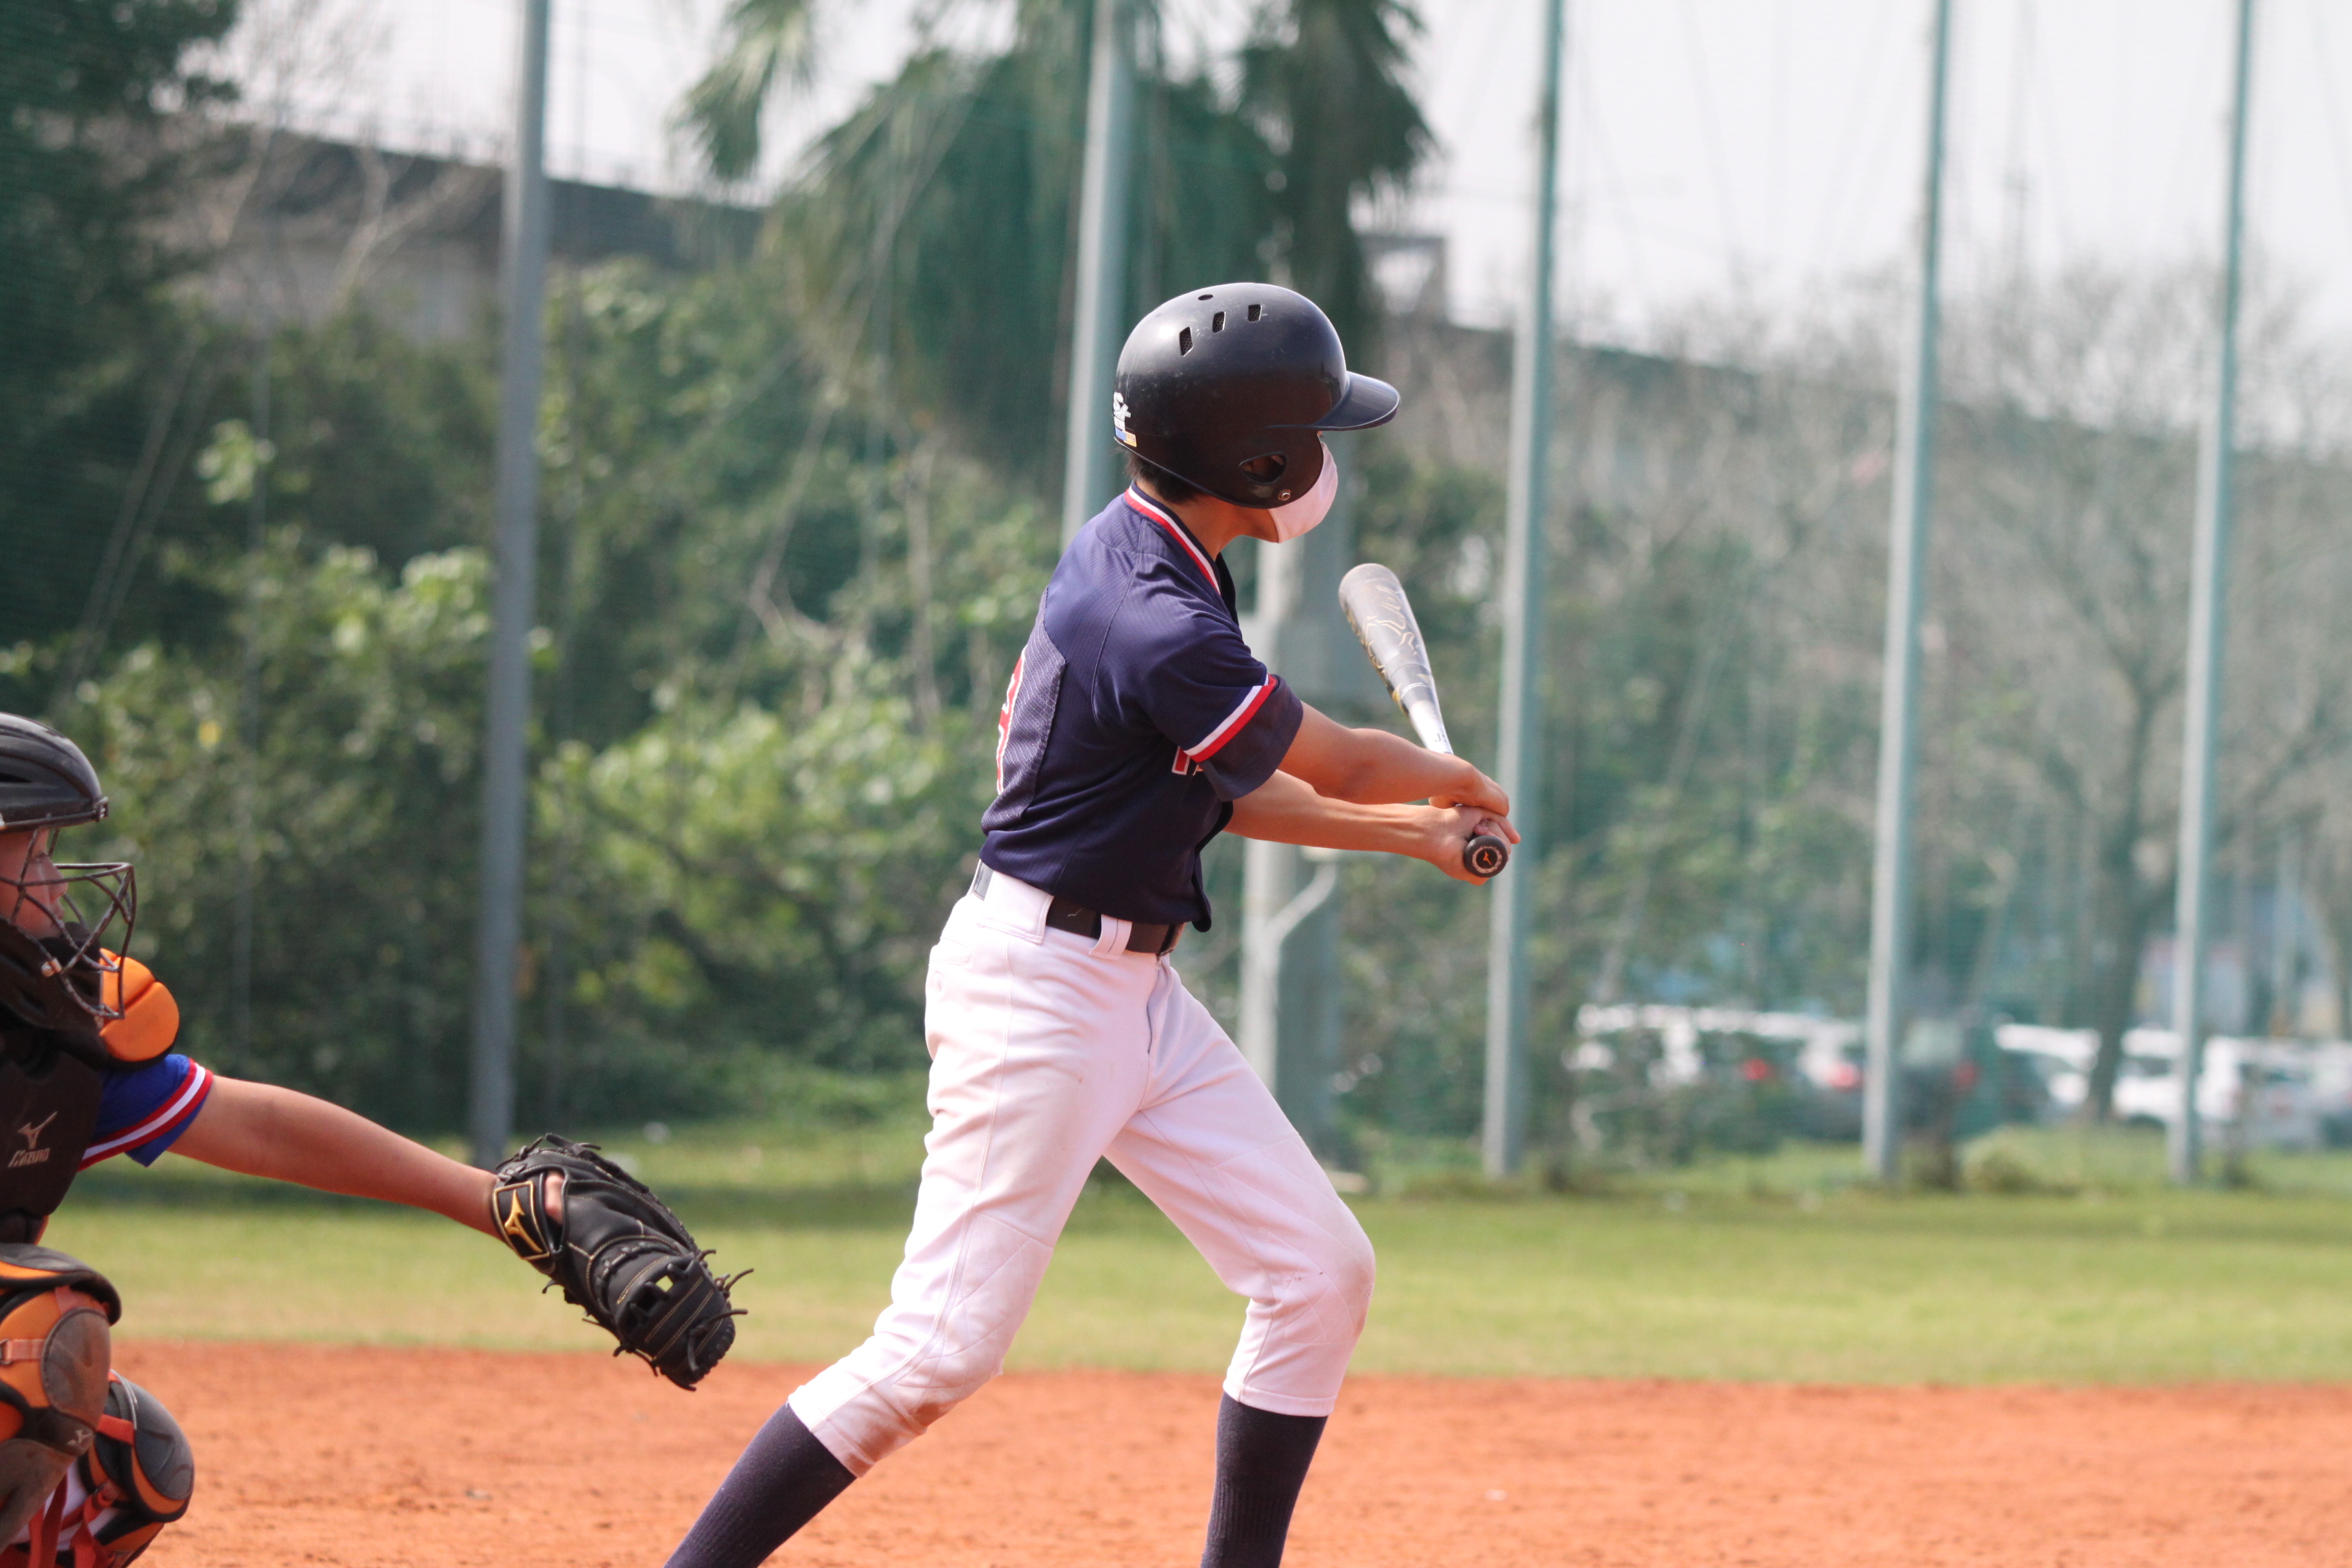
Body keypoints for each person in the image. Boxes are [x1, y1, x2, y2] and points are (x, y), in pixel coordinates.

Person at [662, 282, 1517, 1568]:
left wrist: (1415, 831)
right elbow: (1331, 758)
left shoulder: (1162, 558)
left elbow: (1231, 792)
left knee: (1318, 1271)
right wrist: (1446, 778)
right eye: (1311, 431)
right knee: (936, 1350)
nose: (1326, 453)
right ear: (1258, 460)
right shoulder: (1151, 612)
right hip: (1040, 993)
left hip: (1133, 996)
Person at [0, 713, 730, 1566]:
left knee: (128, 1468)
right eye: (33, 853)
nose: (58, 885)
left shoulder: (45, 1039)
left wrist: (497, 1203)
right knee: (39, 1337)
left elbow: (261, 1128)